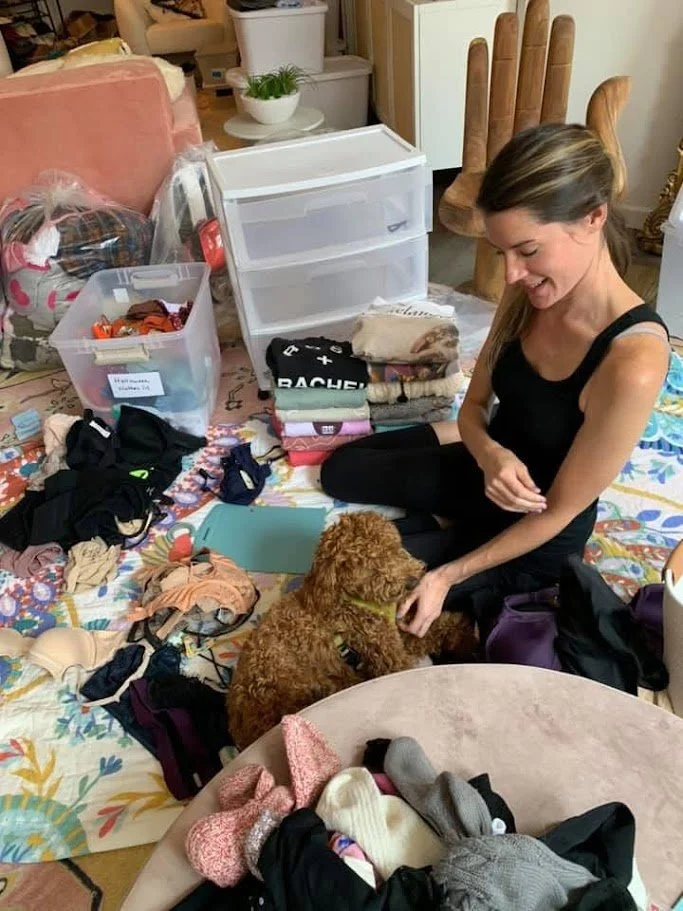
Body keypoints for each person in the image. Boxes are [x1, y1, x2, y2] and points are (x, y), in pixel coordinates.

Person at [321, 123, 670, 639]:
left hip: (537, 529)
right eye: (502, 251)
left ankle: (447, 545)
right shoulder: (528, 292)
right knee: (343, 469)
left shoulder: (633, 358)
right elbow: (474, 406)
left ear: (593, 218)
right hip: (487, 471)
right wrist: (489, 453)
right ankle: (444, 528)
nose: (509, 274)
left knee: (351, 589)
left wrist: (447, 575)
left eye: (527, 251)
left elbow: (559, 512)